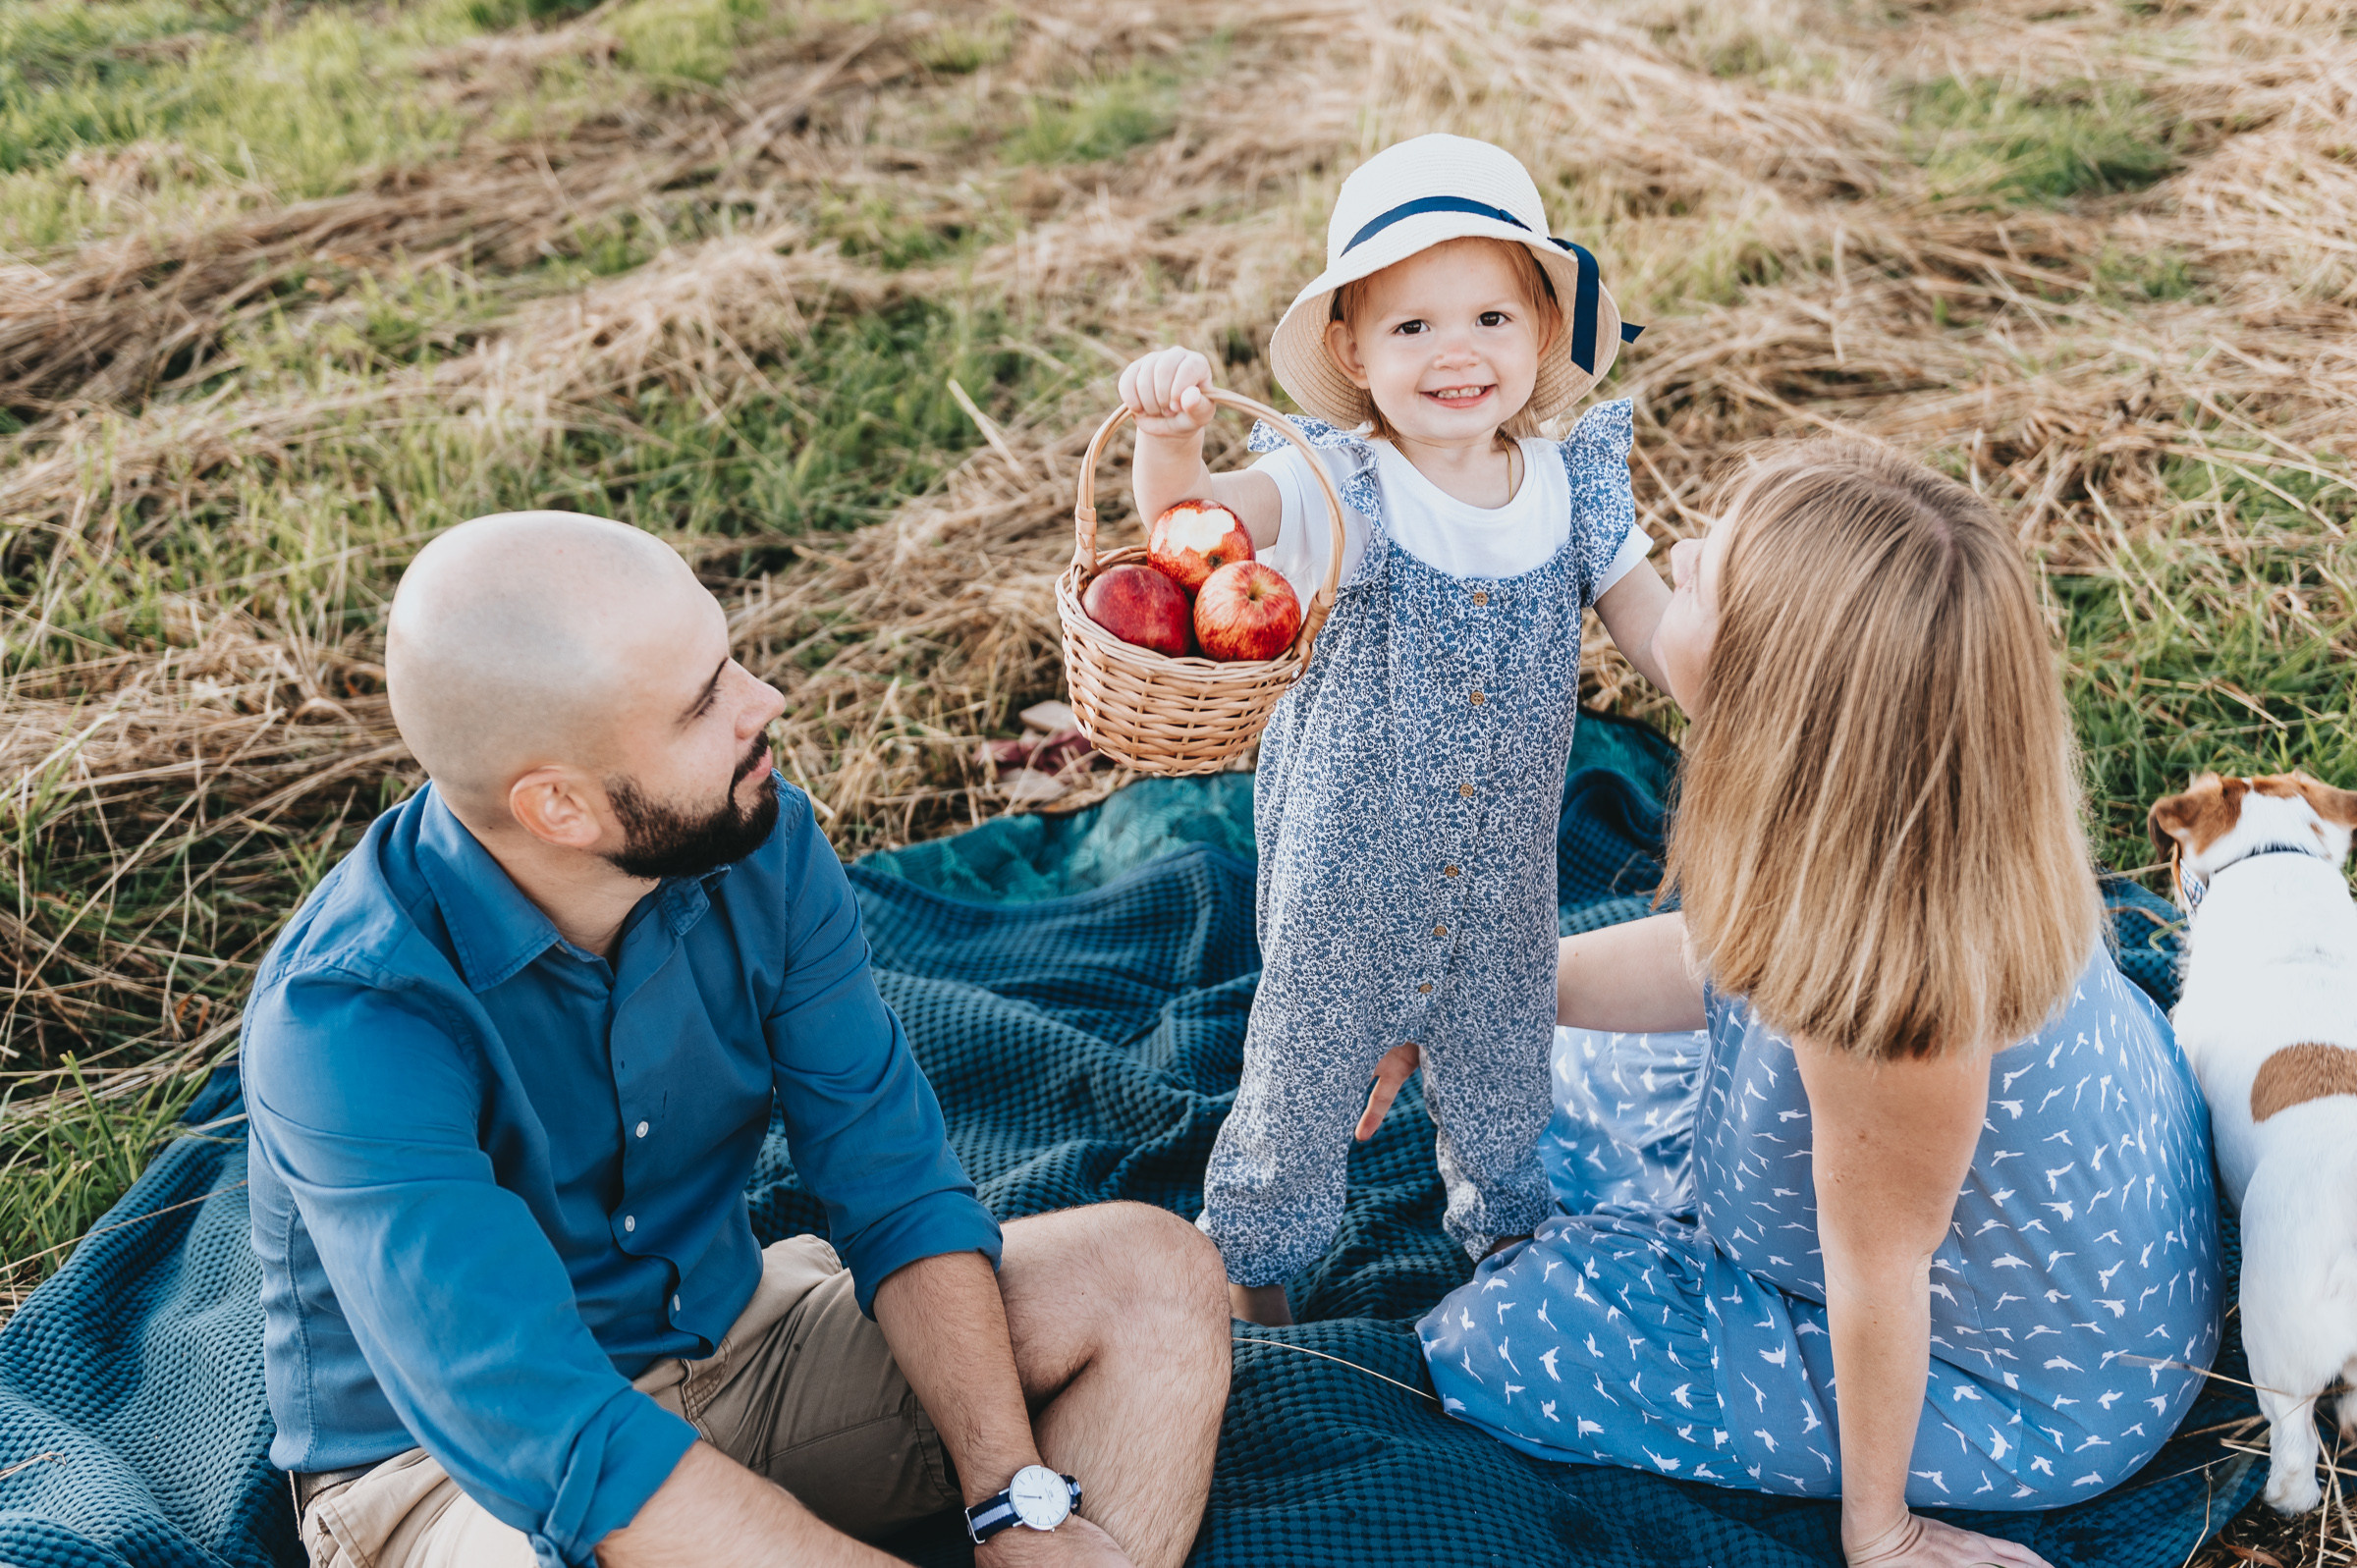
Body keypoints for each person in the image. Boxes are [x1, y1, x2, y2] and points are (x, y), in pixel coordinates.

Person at [241, 511, 1232, 1568]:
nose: (766, 702)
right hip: (458, 1484)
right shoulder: (346, 1021)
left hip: (741, 1337)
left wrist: (1010, 1498)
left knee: (1153, 1272)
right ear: (561, 808)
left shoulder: (766, 843)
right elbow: (550, 1436)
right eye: (702, 702)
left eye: (731, 660)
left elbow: (891, 1178)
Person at [1402, 444, 2223, 1567]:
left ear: (1774, 700)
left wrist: (1880, 1530)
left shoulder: (1901, 993)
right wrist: (1478, 991)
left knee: (1509, 1336)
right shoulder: (1909, 812)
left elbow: (1879, 1265)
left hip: (2028, 1375)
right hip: (2008, 1240)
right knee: (1530, 1055)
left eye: (1703, 580)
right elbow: (1716, 958)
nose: (1678, 560)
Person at [1118, 134, 1674, 1326]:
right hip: (1344, 884)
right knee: (1296, 1098)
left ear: (1541, 333)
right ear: (1351, 351)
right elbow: (1190, 530)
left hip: (1505, 885)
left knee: (1505, 1093)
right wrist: (1169, 440)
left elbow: (1661, 632)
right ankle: (1251, 1292)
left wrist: (1756, 674)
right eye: (1411, 327)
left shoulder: (1573, 483)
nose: (1456, 352)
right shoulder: (1341, 488)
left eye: (1488, 316)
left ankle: (1510, 1267)